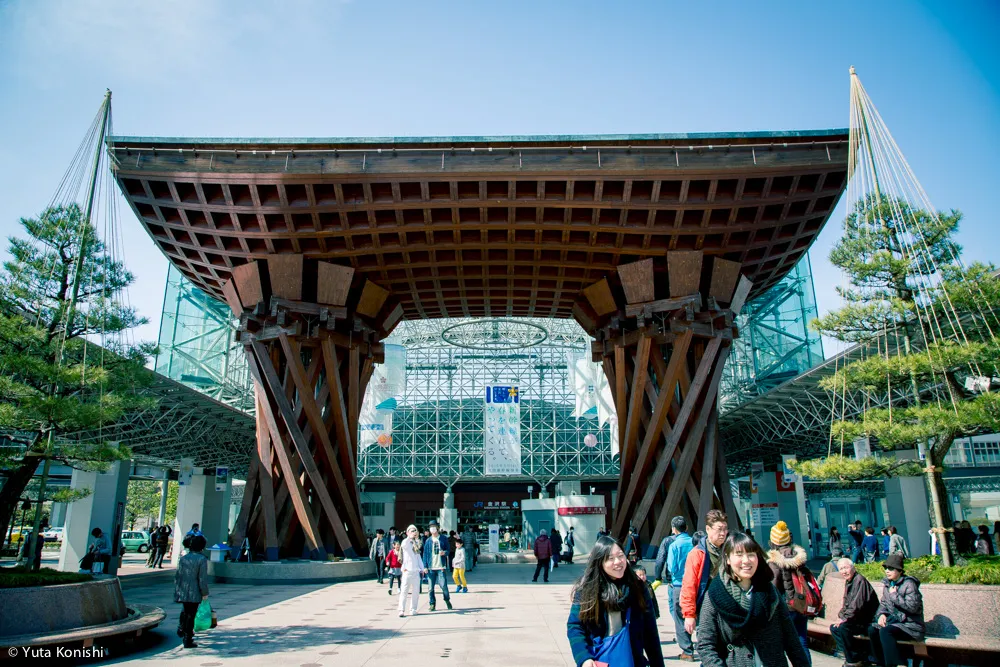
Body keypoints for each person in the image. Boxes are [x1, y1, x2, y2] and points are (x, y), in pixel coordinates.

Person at [696, 532, 810, 667]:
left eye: (751, 554)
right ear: (727, 559)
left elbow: (791, 639)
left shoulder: (769, 591)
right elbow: (705, 644)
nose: (746, 560)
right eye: (739, 554)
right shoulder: (715, 594)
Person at [566, 535, 664, 667]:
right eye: (610, 558)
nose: (618, 561)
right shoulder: (588, 589)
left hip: (633, 660)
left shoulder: (638, 587)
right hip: (599, 660)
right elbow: (575, 626)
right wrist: (584, 658)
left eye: (620, 555)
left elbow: (651, 633)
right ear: (600, 562)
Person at [679, 510, 729, 661]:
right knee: (708, 649)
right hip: (706, 609)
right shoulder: (697, 554)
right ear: (708, 529)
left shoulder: (731, 550)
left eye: (725, 529)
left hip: (729, 607)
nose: (723, 533)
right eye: (719, 529)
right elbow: (689, 585)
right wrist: (689, 615)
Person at [867, 553, 925, 667]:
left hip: (911, 626)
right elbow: (883, 603)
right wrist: (882, 614)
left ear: (899, 570)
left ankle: (897, 664)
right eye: (886, 568)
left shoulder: (909, 584)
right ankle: (880, 662)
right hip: (896, 623)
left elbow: (913, 607)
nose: (887, 571)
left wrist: (894, 596)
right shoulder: (888, 584)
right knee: (872, 630)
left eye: (891, 568)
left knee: (885, 631)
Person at [766, 520, 811, 661]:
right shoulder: (799, 556)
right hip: (801, 604)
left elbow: (773, 587)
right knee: (801, 639)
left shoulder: (775, 560)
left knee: (779, 643)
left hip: (785, 607)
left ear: (773, 541)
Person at [830, 558, 879, 667]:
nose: (844, 571)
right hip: (856, 619)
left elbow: (856, 605)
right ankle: (855, 655)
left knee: (843, 628)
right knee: (834, 628)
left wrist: (844, 619)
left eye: (846, 568)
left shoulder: (859, 580)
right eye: (841, 569)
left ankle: (853, 660)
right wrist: (841, 616)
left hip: (866, 621)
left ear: (853, 568)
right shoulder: (849, 581)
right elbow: (846, 603)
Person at [665, 517, 694, 657]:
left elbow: (672, 568)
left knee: (680, 617)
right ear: (686, 528)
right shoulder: (695, 543)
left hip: (679, 585)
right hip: (695, 584)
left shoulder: (674, 545)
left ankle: (687, 650)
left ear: (673, 529)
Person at [174, 534, 209, 649]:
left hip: (183, 590)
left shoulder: (184, 558)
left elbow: (178, 575)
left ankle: (181, 628)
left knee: (185, 610)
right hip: (194, 591)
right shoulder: (201, 559)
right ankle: (187, 638)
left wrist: (178, 589)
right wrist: (204, 593)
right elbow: (202, 579)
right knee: (191, 614)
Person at [422, 520, 453, 611]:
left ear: (438, 528)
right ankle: (432, 604)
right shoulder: (428, 541)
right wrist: (425, 566)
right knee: (430, 588)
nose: (432, 528)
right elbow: (425, 554)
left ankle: (447, 600)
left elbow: (448, 550)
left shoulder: (443, 538)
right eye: (431, 527)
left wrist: (445, 553)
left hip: (441, 567)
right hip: (431, 568)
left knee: (443, 586)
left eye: (434, 526)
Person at [398, 525, 424, 617]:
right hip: (407, 571)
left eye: (415, 531)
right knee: (404, 591)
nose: (414, 532)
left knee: (416, 592)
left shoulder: (416, 543)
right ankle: (401, 610)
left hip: (415, 571)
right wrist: (410, 537)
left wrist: (422, 568)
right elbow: (404, 545)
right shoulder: (406, 542)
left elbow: (418, 556)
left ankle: (413, 609)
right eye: (412, 531)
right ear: (407, 532)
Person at [651, 517, 681, 588]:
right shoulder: (691, 541)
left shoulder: (667, 540)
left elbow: (660, 561)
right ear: (686, 528)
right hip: (688, 579)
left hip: (673, 579)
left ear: (673, 529)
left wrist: (658, 577)